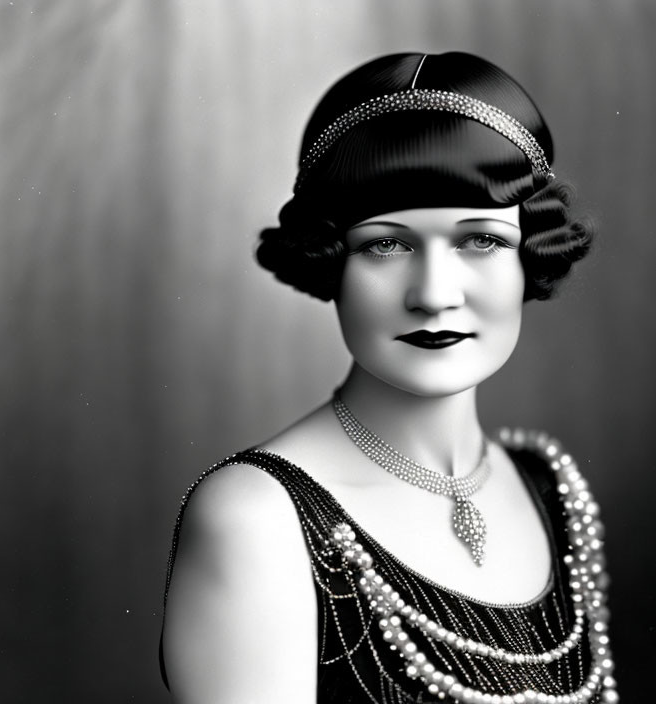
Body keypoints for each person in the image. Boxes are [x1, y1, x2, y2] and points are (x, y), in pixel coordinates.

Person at [160, 51, 617, 704]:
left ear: (530, 257)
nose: (434, 294)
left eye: (480, 241)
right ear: (330, 262)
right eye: (386, 244)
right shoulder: (257, 520)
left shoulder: (553, 488)